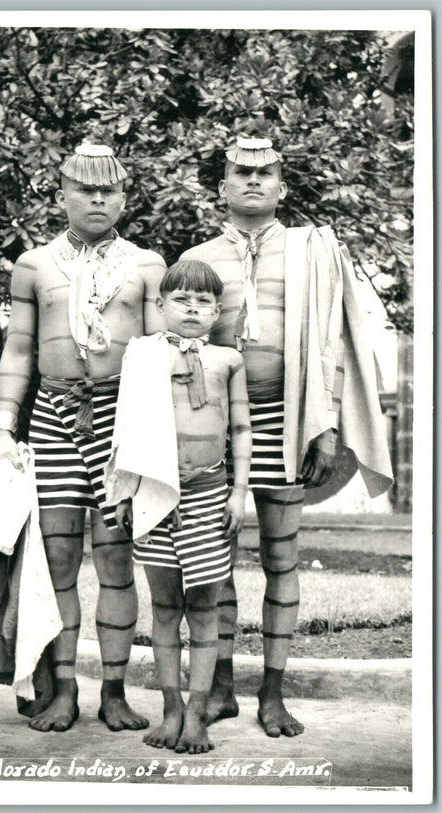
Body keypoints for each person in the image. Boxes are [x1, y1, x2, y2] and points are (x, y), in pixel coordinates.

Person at [180, 136, 393, 737]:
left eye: (264, 172)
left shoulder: (314, 252)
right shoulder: (197, 258)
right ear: (222, 187)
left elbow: (334, 340)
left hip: (289, 419)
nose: (252, 181)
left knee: (281, 558)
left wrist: (323, 427)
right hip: (212, 426)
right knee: (213, 562)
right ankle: (219, 687)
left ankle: (272, 694)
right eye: (240, 173)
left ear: (281, 186)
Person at [0, 141, 166, 732]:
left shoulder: (146, 265)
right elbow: (18, 351)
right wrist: (2, 431)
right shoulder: (34, 265)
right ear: (62, 194)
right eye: (85, 190)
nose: (97, 199)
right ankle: (63, 690)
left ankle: (113, 692)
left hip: (123, 420)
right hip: (54, 417)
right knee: (58, 558)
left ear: (123, 198)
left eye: (109, 190)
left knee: (117, 559)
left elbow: (160, 355)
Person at [104, 260, 252, 754]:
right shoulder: (143, 356)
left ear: (217, 312)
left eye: (204, 301)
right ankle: (170, 709)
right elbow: (124, 427)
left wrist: (239, 491)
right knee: (165, 607)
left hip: (210, 494)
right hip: (153, 493)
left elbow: (240, 431)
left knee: (204, 609)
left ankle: (197, 714)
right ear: (161, 306)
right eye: (182, 300)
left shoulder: (228, 360)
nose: (192, 308)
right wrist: (123, 491)